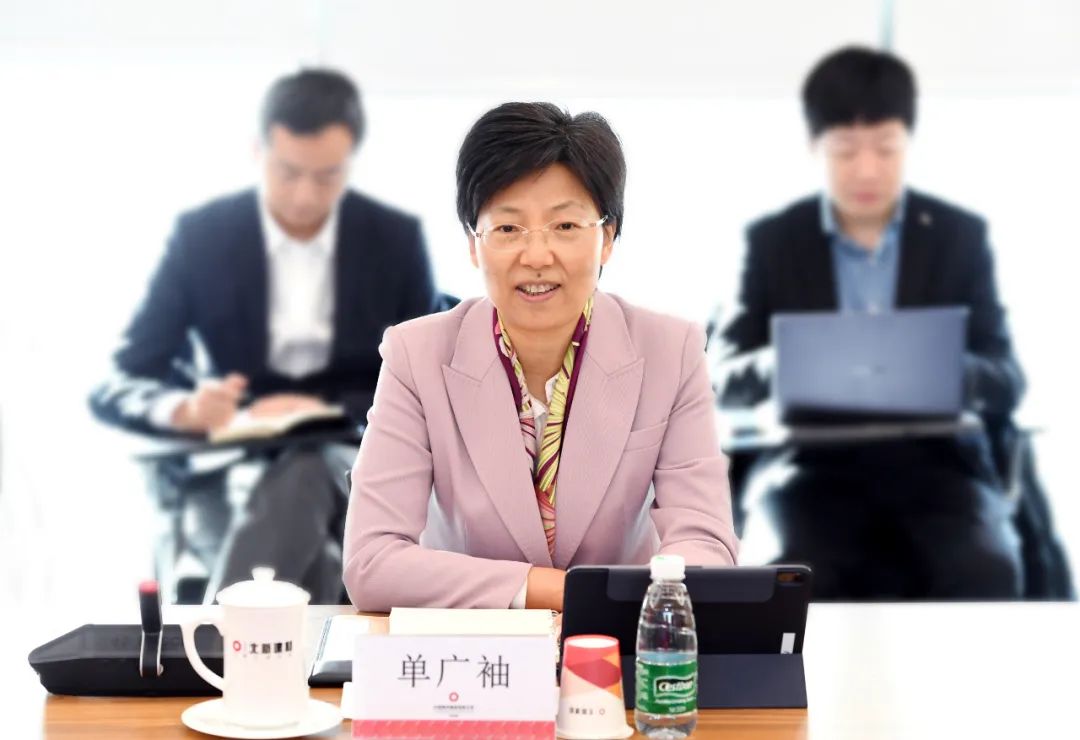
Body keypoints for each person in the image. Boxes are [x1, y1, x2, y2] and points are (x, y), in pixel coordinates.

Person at [343, 102, 738, 612]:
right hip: (469, 646)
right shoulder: (415, 356)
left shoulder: (672, 351)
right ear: (473, 244)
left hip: (618, 641)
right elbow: (372, 562)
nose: (536, 256)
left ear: (607, 238)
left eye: (565, 226)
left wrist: (641, 607)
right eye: (508, 229)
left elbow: (705, 545)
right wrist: (564, 592)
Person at [90, 69, 439, 602]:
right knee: (317, 560)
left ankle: (218, 638)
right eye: (288, 172)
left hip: (350, 457)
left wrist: (323, 411)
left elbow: (426, 379)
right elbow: (123, 377)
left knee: (304, 472)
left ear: (351, 163)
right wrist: (182, 410)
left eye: (326, 176)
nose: (304, 195)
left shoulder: (394, 240)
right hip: (229, 464)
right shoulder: (202, 238)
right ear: (257, 151)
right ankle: (284, 643)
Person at [715, 46, 1026, 599]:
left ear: (909, 142)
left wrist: (943, 366)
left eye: (885, 148)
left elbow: (1006, 378)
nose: (866, 169)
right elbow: (724, 374)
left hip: (938, 460)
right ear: (814, 146)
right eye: (845, 150)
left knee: (985, 570)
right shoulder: (773, 242)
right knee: (791, 576)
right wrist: (786, 362)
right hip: (809, 465)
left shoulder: (958, 237)